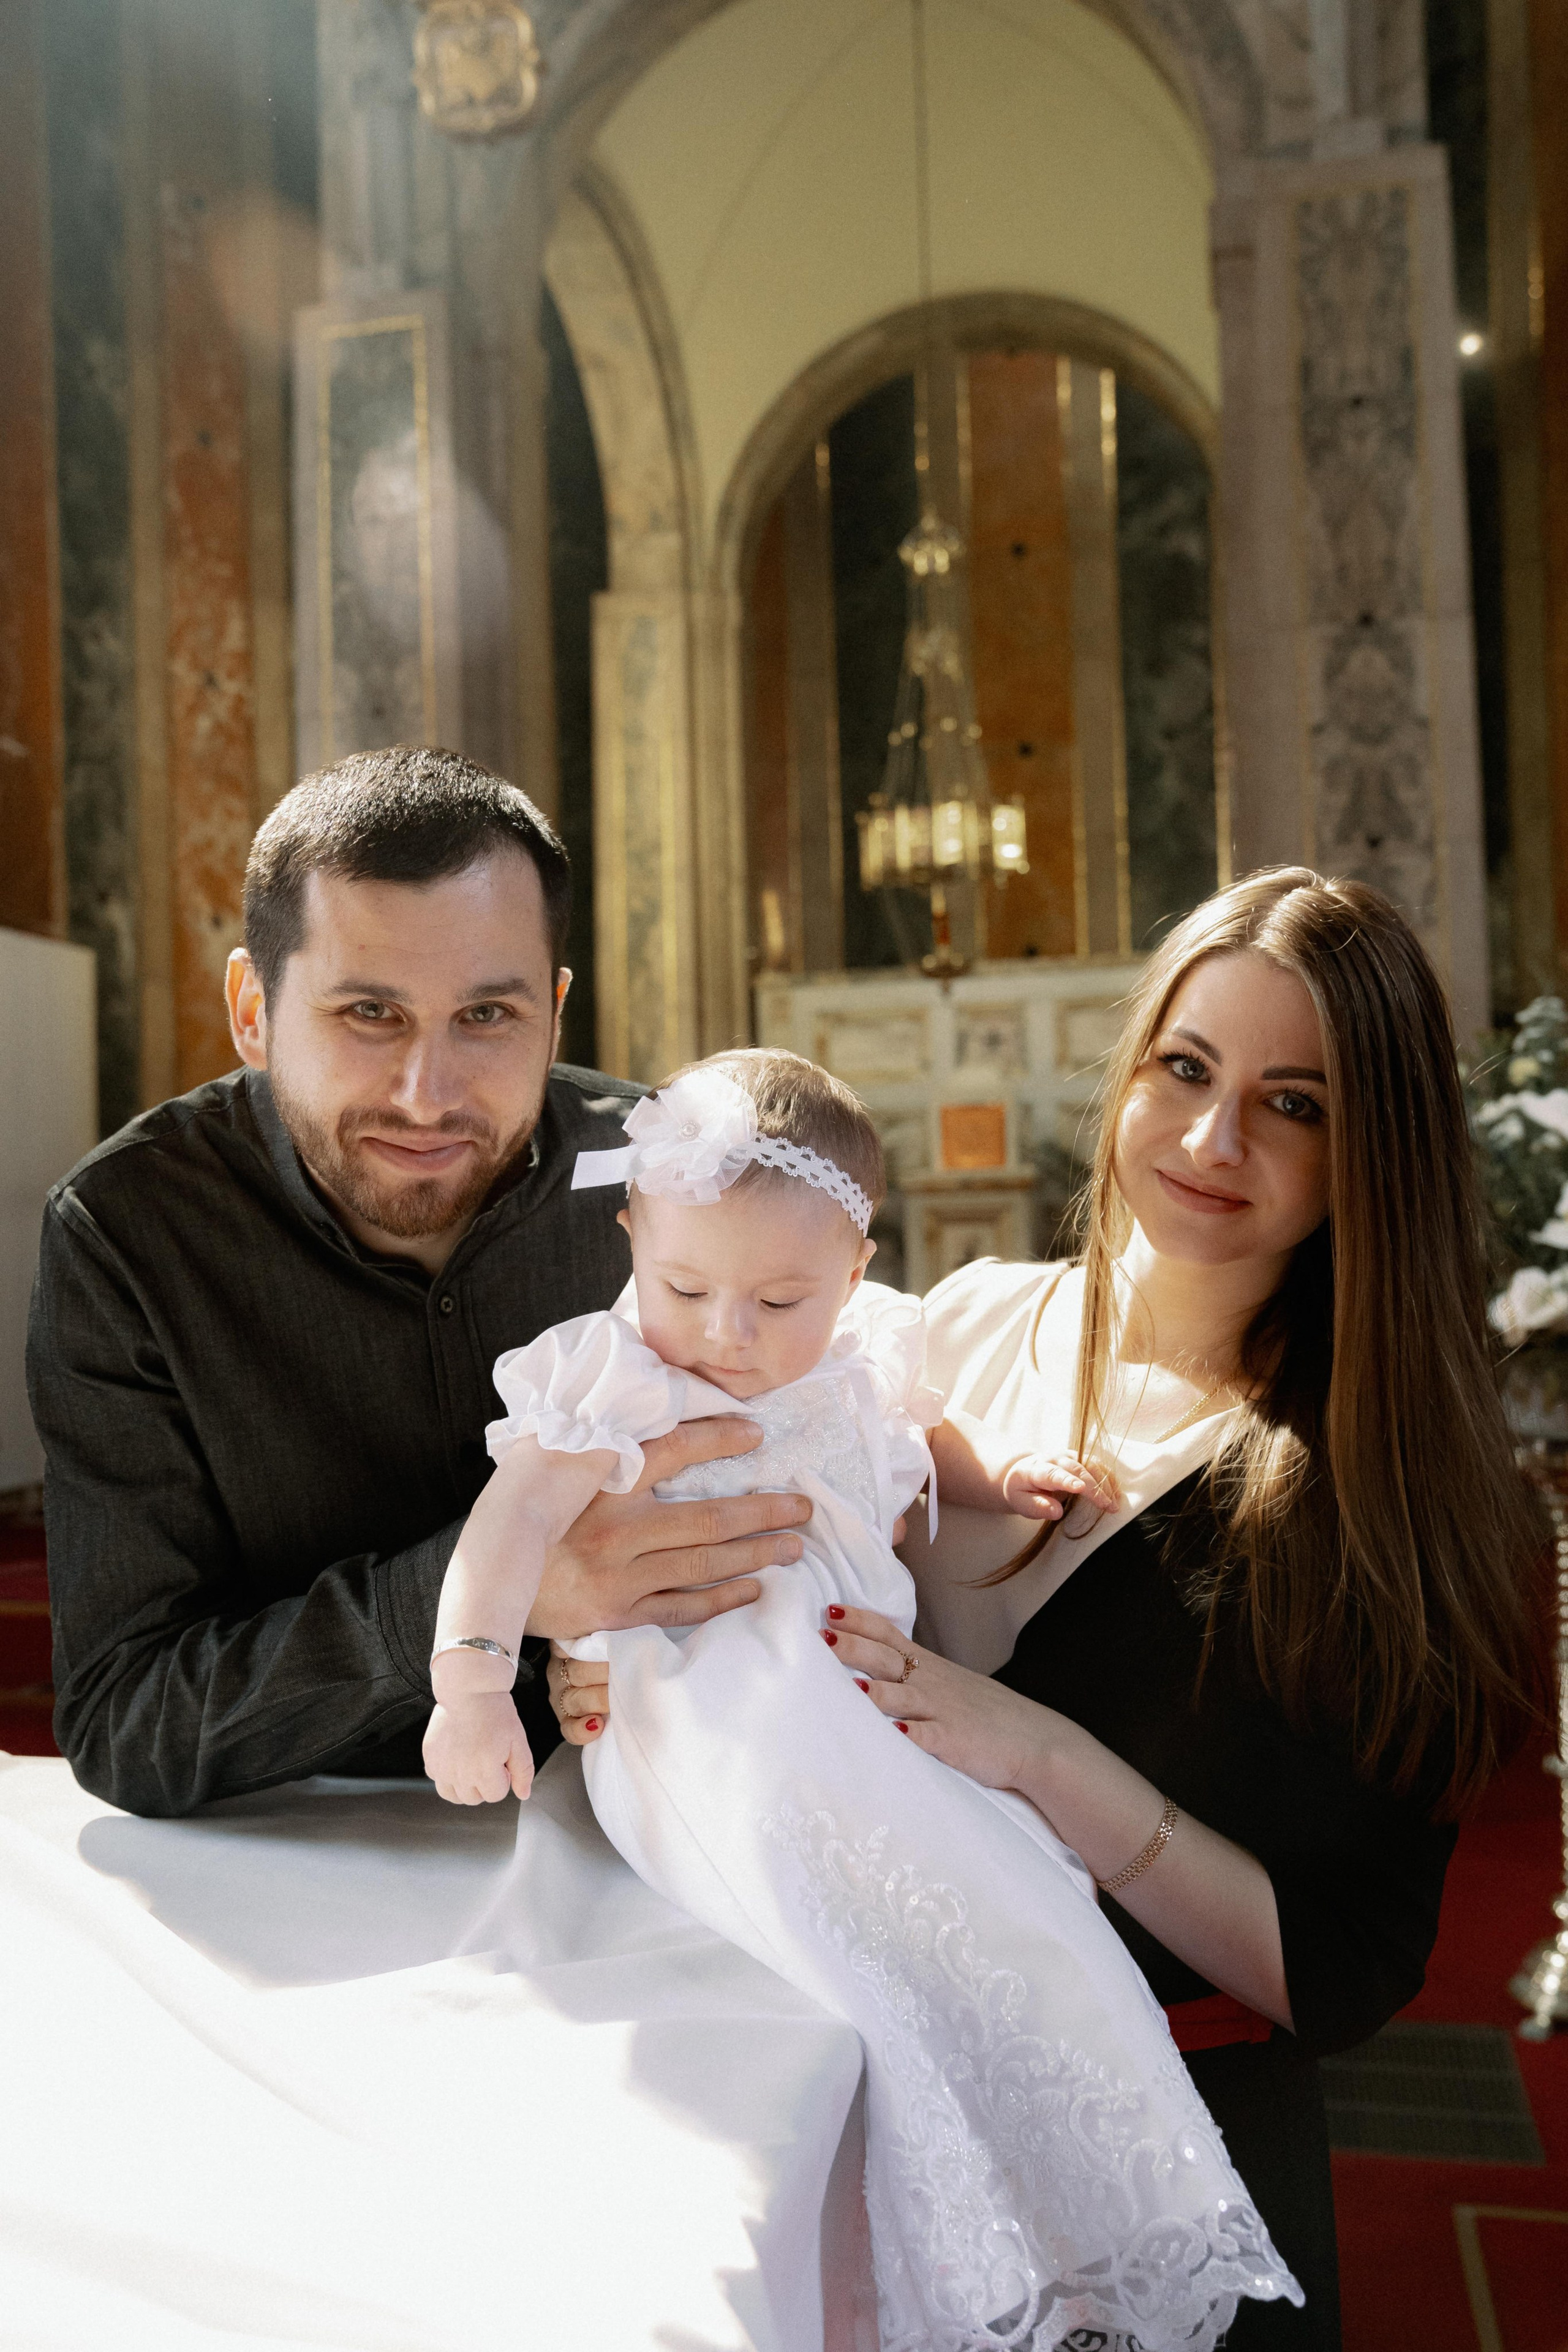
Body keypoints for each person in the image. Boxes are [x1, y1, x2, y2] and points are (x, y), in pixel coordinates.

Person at [552, 870, 1546, 2348]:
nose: (1210, 1139)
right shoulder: (938, 1327)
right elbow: (712, 1538)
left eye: (1291, 1104)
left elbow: (1337, 1970)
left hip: (1156, 2129)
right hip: (846, 2105)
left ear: (1370, 1151)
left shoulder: (1389, 1497)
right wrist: (603, 1635)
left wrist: (1040, 1758)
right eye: (1184, 1069)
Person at [453, 1047, 1302, 2352]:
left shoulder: (861, 1354)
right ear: (632, 1237)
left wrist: (997, 1477)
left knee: (1016, 1886)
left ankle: (1067, 2206)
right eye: (686, 1288)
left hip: (855, 1691)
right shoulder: (613, 1373)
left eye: (779, 1300)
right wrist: (470, 1679)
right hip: (697, 1696)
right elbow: (509, 1528)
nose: (728, 1336)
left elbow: (918, 1434)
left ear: (853, 1270)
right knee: (837, 1917)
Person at [26, 745, 810, 1818]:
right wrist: (498, 1590)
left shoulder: (680, 1176)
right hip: (305, 1845)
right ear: (252, 1008)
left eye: (487, 1016)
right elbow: (127, 1722)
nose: (427, 1095)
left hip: (668, 1812)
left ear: (555, 1010)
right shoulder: (129, 1231)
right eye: (369, 1013)